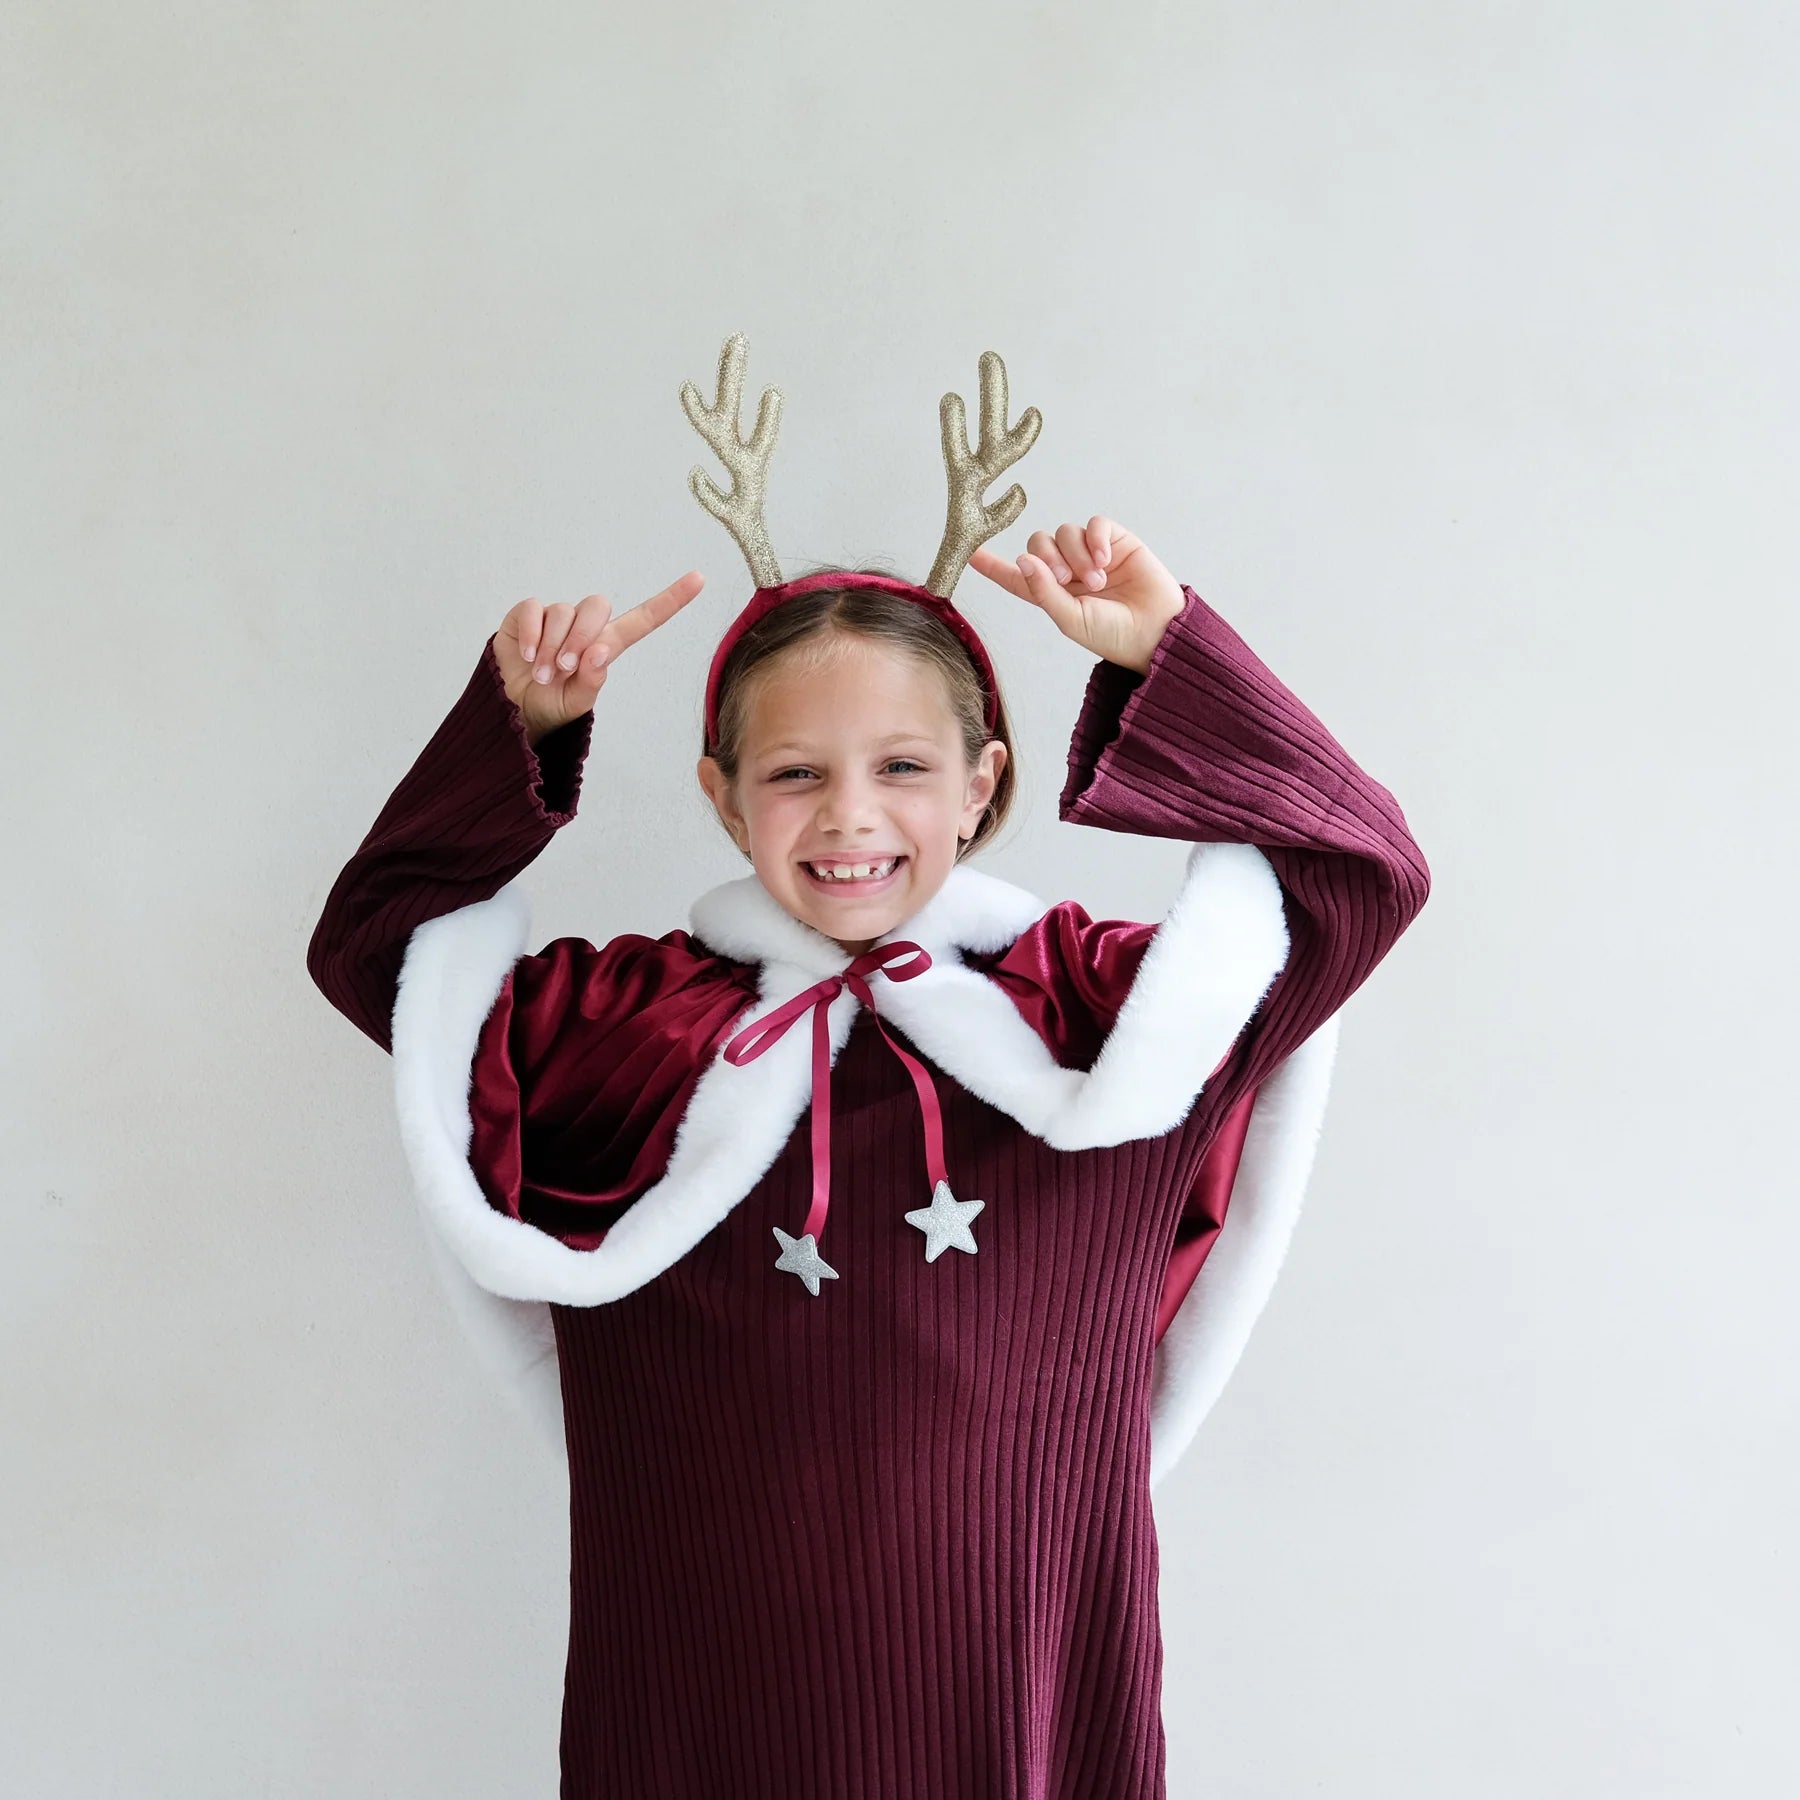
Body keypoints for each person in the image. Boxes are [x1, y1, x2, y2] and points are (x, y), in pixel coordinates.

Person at [306, 336, 1431, 1797]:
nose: (850, 816)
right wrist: (516, 735)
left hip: (1023, 1699)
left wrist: (1168, 651)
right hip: (703, 1712)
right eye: (795, 773)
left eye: (903, 766)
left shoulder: (1095, 1014)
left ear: (983, 783)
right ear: (723, 799)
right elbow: (388, 955)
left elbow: (1359, 876)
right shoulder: (623, 1031)